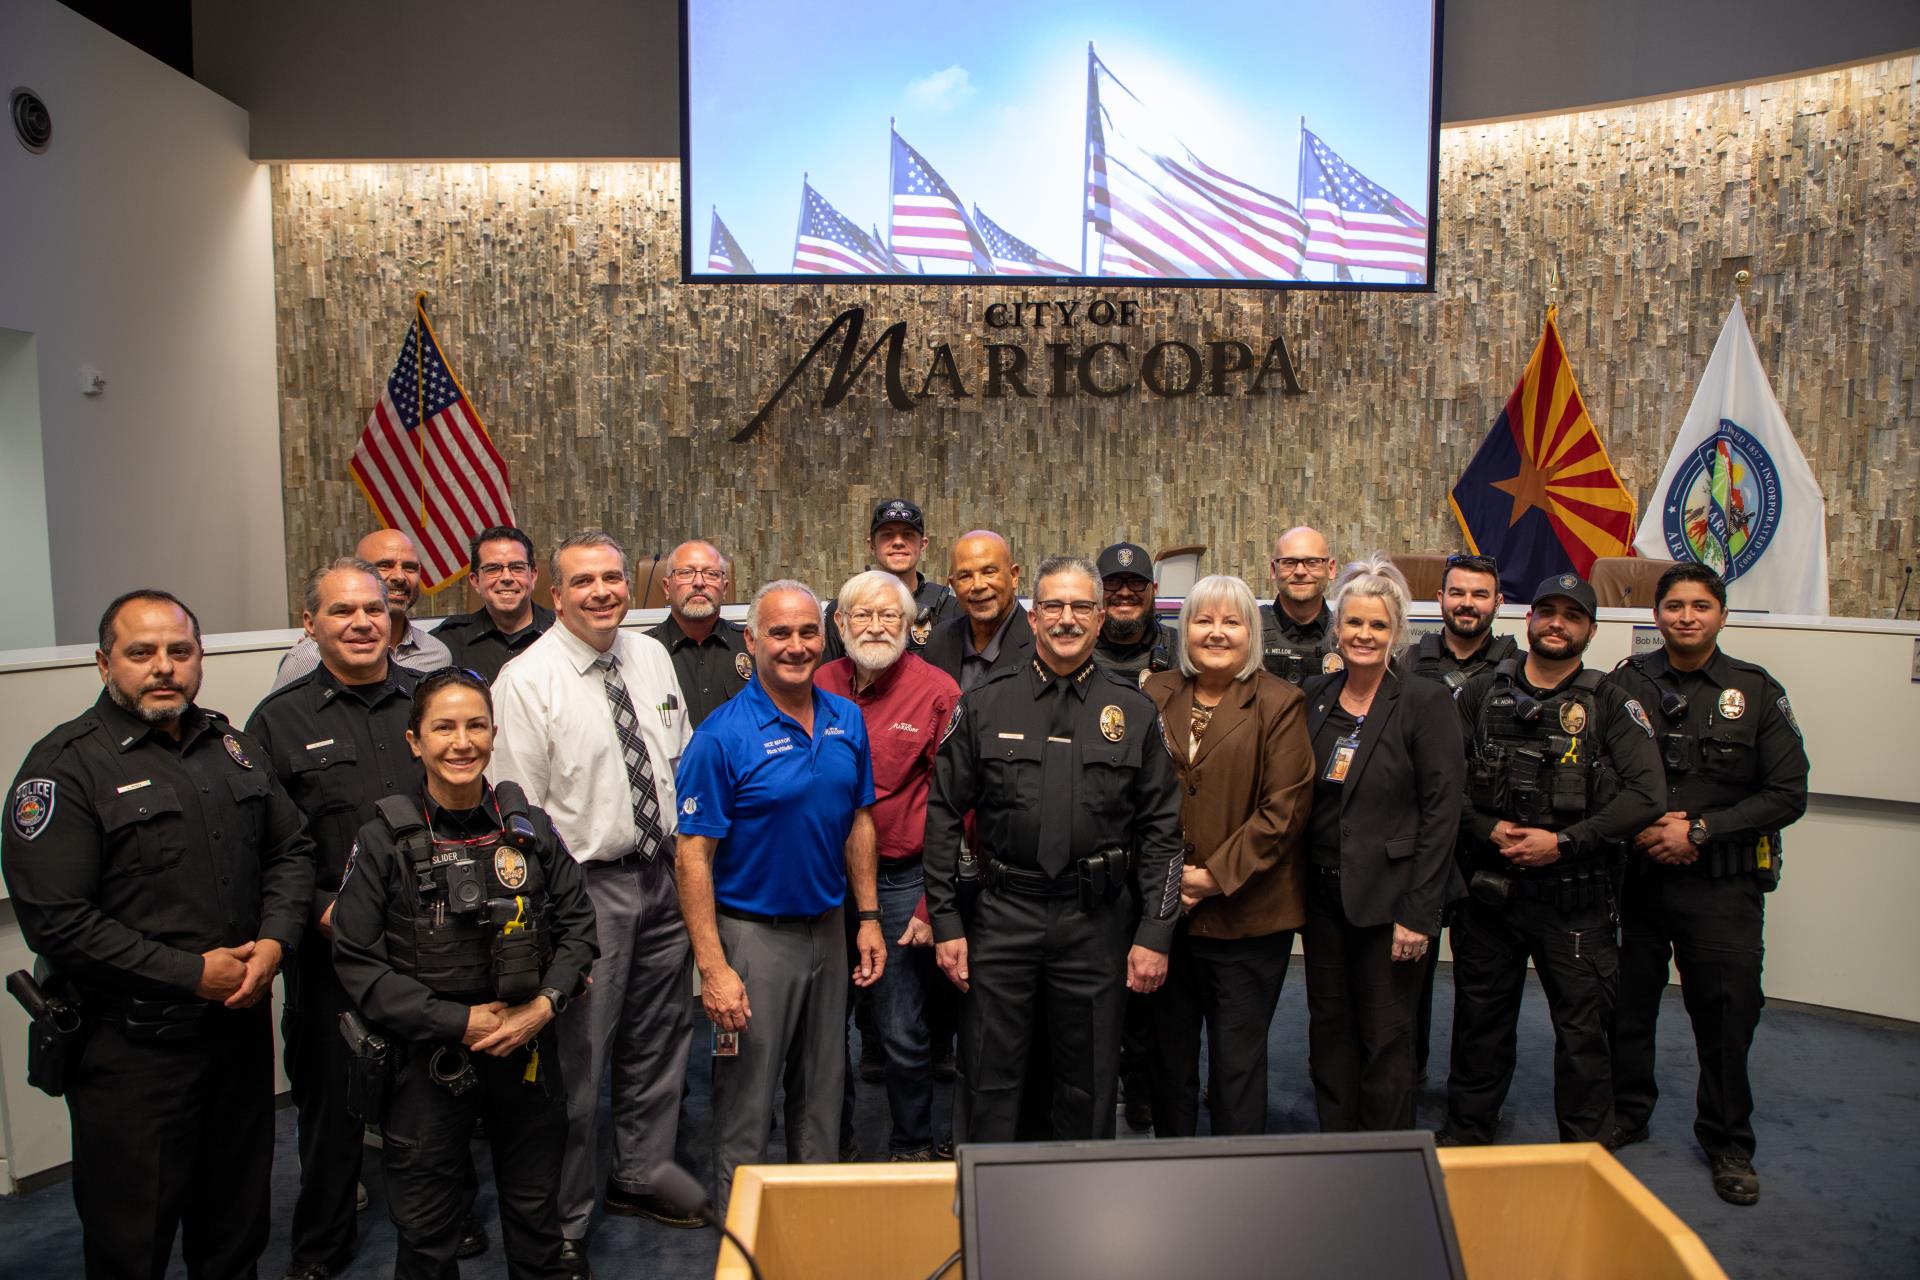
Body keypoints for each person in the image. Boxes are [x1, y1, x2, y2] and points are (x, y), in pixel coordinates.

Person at [2, 590, 314, 1278]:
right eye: (141, 653)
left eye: (179, 651)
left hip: (235, 1038)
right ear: (104, 663)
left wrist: (274, 942)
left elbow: (290, 851)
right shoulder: (64, 767)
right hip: (132, 1054)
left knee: (236, 1225)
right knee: (131, 1240)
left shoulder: (231, 747)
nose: (163, 667)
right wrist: (189, 973)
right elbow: (57, 919)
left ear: (198, 657)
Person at [332, 668, 597, 1279]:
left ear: (493, 733)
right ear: (414, 741)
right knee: (427, 1235)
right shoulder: (383, 842)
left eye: (475, 725)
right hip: (429, 1059)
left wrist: (545, 1004)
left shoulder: (528, 830)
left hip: (528, 1049)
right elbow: (357, 962)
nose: (461, 741)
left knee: (537, 1222)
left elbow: (580, 928)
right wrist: (459, 1022)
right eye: (443, 727)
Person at [489, 532, 695, 1271]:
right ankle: (564, 1223)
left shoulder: (651, 656)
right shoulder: (525, 679)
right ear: (556, 594)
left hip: (661, 876)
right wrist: (554, 919)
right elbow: (520, 816)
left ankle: (639, 1176)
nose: (604, 592)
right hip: (583, 892)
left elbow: (677, 759)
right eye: (585, 582)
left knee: (660, 1038)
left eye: (613, 578)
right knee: (577, 1065)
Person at [925, 555, 1184, 1142]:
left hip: (1095, 921)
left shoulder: (1137, 712)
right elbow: (942, 814)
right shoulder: (985, 703)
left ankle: (1079, 1217)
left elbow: (1164, 833)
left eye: (1080, 607)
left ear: (1098, 620)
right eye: (1053, 607)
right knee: (989, 1075)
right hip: (1002, 916)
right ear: (1034, 616)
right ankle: (988, 1213)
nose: (1067, 619)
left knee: (1088, 1080)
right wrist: (945, 921)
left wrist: (1155, 933)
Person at [673, 580, 885, 1209]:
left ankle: (813, 1232)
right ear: (752, 641)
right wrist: (713, 968)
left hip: (827, 927)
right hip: (751, 940)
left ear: (826, 637)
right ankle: (745, 1247)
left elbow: (860, 823)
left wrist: (867, 917)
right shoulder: (721, 738)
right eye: (780, 633)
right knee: (746, 1102)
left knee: (822, 1092)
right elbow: (692, 856)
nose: (796, 646)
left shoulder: (846, 717)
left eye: (807, 632)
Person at [247, 559, 431, 1278]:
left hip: (428, 942)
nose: (362, 623)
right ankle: (322, 1247)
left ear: (393, 619)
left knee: (429, 1100)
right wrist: (323, 912)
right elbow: (272, 848)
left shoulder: (428, 700)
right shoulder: (279, 720)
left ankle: (435, 1222)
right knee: (331, 1109)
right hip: (331, 952)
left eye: (375, 610)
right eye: (343, 612)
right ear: (311, 623)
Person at [1604, 563, 1808, 1205]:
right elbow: (1596, 770)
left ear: (1721, 614)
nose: (1686, 617)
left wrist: (1697, 831)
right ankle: (1626, 1114)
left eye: (1699, 606)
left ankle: (1727, 1142)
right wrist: (1638, 824)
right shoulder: (1625, 685)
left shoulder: (1756, 691)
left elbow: (1787, 793)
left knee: (1725, 1017)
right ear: (1656, 614)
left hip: (1721, 888)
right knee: (1626, 1007)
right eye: (1673, 606)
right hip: (1636, 879)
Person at [1440, 574, 1663, 1146]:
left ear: (1590, 628)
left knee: (1585, 1030)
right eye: (1547, 611)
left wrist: (1562, 842)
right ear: (1529, 619)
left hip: (1576, 900)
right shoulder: (1482, 693)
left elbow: (1646, 796)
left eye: (1572, 614)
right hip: (1491, 893)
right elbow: (1442, 785)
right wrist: (1488, 828)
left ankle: (1584, 1149)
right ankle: (1469, 1131)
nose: (1557, 623)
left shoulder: (1613, 702)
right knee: (1479, 1023)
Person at [1140, 574, 1313, 1135]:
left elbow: (1282, 810)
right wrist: (1166, 886)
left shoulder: (1281, 702)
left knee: (1238, 1065)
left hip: (1246, 918)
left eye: (1231, 621)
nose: (1216, 633)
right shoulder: (1153, 694)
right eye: (1202, 620)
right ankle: (1174, 1172)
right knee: (1168, 1058)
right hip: (1166, 919)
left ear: (1252, 633)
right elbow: (1131, 797)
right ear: (1184, 630)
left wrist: (1212, 877)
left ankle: (1236, 1183)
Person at [1299, 559, 1465, 1132]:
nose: (1363, 636)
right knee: (1329, 1030)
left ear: (1395, 634)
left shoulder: (1424, 701)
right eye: (1353, 624)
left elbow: (1443, 815)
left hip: (1392, 905)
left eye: (1377, 626)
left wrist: (1420, 915)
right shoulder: (1315, 696)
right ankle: (1337, 1147)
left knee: (1387, 1039)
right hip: (1321, 901)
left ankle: (1386, 1160)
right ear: (1336, 629)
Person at [816, 570, 961, 1160]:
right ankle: (833, 1144)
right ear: (841, 624)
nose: (876, 627)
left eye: (890, 617)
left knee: (902, 1027)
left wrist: (934, 904)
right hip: (823, 884)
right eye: (863, 616)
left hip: (905, 880)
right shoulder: (818, 682)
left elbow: (959, 808)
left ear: (912, 627)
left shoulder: (937, 692)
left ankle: (913, 1144)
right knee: (825, 1031)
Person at [1401, 551, 1518, 1081]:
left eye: (1479, 594)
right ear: (1441, 598)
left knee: (1481, 984)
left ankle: (1471, 1103)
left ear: (1498, 601)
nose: (1466, 604)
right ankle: (1406, 1075)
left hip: (1484, 847)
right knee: (1407, 974)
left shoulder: (1519, 669)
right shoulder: (1405, 661)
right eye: (1457, 592)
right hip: (1416, 842)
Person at [1091, 539, 1176, 1128]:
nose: (1124, 594)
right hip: (1093, 842)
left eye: (1135, 586)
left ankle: (1143, 1086)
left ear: (1152, 594)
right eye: (1113, 587)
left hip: (1156, 836)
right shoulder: (1073, 649)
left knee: (1153, 986)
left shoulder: (1179, 654)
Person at [275, 529, 452, 689]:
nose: (399, 576)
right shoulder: (305, 658)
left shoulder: (436, 655)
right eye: (385, 565)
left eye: (410, 568)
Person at [824, 498, 961, 659]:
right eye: (887, 535)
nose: (898, 542)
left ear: (923, 544)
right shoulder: (845, 608)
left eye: (908, 534)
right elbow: (826, 677)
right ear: (871, 545)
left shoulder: (950, 608)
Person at [645, 540, 753, 728]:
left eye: (711, 574)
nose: (699, 582)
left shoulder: (751, 646)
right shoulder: (643, 652)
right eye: (686, 573)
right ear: (666, 588)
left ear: (725, 589)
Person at [434, 525, 556, 683]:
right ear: (475, 581)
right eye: (493, 569)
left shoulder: (563, 632)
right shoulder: (447, 642)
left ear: (532, 576)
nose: (506, 577)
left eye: (517, 568)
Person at [920, 529, 1033, 693]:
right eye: (965, 576)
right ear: (953, 584)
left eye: (989, 572)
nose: (978, 585)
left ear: (1014, 576)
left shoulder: (1043, 645)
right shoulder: (939, 641)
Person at [1260, 526, 1342, 686]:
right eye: (1289, 562)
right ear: (1273, 569)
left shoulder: (1347, 634)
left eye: (1312, 562)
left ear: (1331, 569)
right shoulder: (1248, 628)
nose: (1300, 571)